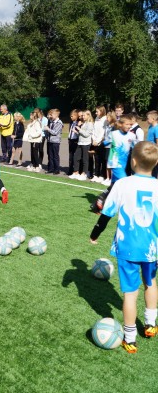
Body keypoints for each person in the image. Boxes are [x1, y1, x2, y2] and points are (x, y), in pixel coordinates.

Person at [89, 141, 158, 353]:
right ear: (155, 163)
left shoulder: (122, 184)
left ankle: (130, 338)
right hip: (152, 247)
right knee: (150, 282)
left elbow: (106, 214)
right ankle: (150, 324)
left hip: (127, 247)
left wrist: (95, 233)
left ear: (133, 161)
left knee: (130, 293)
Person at [90, 114, 136, 214]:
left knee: (114, 186)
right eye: (127, 124)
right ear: (120, 124)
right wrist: (94, 150)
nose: (129, 126)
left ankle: (97, 203)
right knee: (125, 182)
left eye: (130, 124)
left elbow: (136, 147)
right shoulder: (114, 134)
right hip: (115, 163)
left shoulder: (132, 136)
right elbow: (104, 143)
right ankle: (127, 207)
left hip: (124, 164)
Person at [69, 110, 93, 181]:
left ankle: (84, 173)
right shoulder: (84, 123)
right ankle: (76, 172)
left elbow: (86, 134)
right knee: (76, 157)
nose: (82, 117)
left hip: (86, 143)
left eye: (84, 115)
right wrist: (76, 132)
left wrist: (79, 129)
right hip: (80, 143)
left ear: (88, 115)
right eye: (82, 115)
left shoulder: (90, 124)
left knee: (85, 159)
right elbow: (81, 134)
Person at [90, 106, 107, 183]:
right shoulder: (96, 118)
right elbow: (94, 130)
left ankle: (102, 175)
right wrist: (93, 139)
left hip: (101, 142)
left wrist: (98, 141)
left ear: (102, 111)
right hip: (95, 141)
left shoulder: (105, 119)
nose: (96, 113)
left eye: (97, 111)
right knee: (96, 159)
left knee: (102, 160)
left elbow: (103, 132)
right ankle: (96, 175)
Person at [44, 108, 63, 174]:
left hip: (55, 142)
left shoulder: (59, 123)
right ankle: (51, 168)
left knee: (55, 156)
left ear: (56, 115)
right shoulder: (51, 121)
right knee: (50, 156)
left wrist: (48, 129)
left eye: (51, 115)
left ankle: (56, 169)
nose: (50, 116)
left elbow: (55, 132)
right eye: (50, 115)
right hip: (50, 141)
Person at [146, 110, 158, 178]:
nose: (147, 120)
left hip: (154, 152)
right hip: (149, 151)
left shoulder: (157, 129)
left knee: (154, 169)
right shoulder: (150, 127)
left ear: (153, 119)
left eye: (148, 118)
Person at [67, 109, 79, 175]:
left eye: (72, 116)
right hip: (71, 140)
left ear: (76, 116)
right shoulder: (71, 123)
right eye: (70, 116)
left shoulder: (78, 123)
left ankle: (76, 170)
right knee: (70, 156)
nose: (71, 117)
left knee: (76, 156)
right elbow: (70, 132)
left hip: (76, 141)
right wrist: (69, 139)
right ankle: (70, 169)